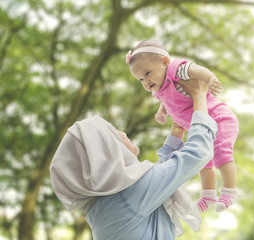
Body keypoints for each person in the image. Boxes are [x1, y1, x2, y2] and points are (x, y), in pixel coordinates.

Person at [50, 77, 218, 239]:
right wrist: (199, 95)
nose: (122, 133)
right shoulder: (129, 195)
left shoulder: (103, 204)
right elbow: (197, 153)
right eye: (114, 131)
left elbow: (159, 177)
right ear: (105, 148)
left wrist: (177, 130)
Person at [126, 39, 239, 213]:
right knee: (203, 161)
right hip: (203, 126)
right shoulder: (158, 89)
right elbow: (168, 100)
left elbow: (195, 69)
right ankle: (208, 195)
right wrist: (162, 112)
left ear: (164, 62)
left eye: (148, 73)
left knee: (220, 153)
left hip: (219, 118)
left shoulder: (175, 70)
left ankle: (229, 191)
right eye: (140, 79)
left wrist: (210, 78)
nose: (146, 81)